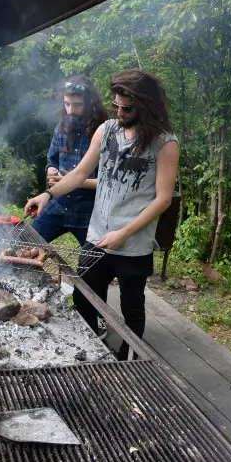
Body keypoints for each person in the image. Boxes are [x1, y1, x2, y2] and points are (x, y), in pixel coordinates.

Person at [25, 70, 179, 359]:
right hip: (96, 236)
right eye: (117, 106)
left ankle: (128, 358)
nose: (120, 112)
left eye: (127, 109)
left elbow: (163, 199)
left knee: (131, 305)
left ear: (146, 106)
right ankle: (90, 350)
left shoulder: (165, 143)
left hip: (132, 244)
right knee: (84, 296)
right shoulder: (107, 130)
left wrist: (124, 233)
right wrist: (47, 195)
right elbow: (80, 173)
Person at [32, 76, 107, 246]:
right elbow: (52, 160)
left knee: (92, 267)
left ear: (90, 104)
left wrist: (77, 182)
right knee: (25, 244)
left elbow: (109, 182)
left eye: (77, 105)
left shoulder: (104, 132)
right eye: (67, 104)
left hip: (89, 212)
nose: (70, 110)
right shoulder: (62, 127)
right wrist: (51, 169)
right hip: (57, 206)